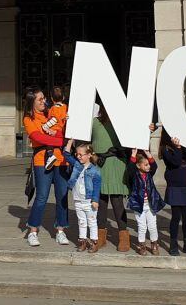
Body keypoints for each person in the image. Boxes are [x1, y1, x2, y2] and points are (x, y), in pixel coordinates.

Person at [21, 87, 69, 247]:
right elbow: (38, 137)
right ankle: (32, 231)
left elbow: (62, 132)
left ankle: (60, 230)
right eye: (40, 99)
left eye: (44, 98)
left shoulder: (53, 112)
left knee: (62, 195)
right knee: (42, 196)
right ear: (32, 102)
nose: (44, 101)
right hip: (42, 160)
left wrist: (64, 127)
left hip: (61, 159)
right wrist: (60, 141)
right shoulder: (28, 118)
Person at [91, 105, 131, 252]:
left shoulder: (122, 122)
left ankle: (124, 236)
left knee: (117, 201)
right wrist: (93, 156)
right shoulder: (94, 122)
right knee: (100, 202)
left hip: (116, 164)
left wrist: (149, 128)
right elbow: (84, 141)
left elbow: (135, 134)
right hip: (99, 164)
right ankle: (101, 237)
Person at [159, 132, 186, 256]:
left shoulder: (184, 146)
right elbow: (175, 162)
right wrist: (177, 148)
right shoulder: (166, 149)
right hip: (175, 188)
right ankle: (173, 245)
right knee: (176, 217)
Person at [61, 139, 101, 253]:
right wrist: (69, 143)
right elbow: (66, 155)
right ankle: (82, 242)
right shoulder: (77, 165)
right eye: (77, 154)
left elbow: (97, 186)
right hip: (78, 200)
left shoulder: (95, 171)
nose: (78, 156)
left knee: (92, 222)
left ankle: (94, 243)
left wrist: (95, 200)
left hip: (89, 201)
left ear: (89, 155)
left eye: (81, 154)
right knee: (81, 222)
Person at [127, 148, 163, 256]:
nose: (148, 167)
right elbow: (130, 169)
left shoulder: (149, 174)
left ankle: (154, 243)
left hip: (150, 204)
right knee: (142, 226)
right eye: (145, 165)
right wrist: (133, 155)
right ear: (138, 166)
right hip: (139, 204)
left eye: (148, 164)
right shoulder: (135, 175)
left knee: (152, 225)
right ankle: (141, 245)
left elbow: (154, 166)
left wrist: (149, 154)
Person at [42, 86, 68, 170]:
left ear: (52, 98)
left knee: (49, 144)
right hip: (62, 130)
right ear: (63, 97)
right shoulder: (65, 107)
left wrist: (46, 126)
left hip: (53, 131)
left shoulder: (53, 109)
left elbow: (54, 119)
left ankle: (51, 156)